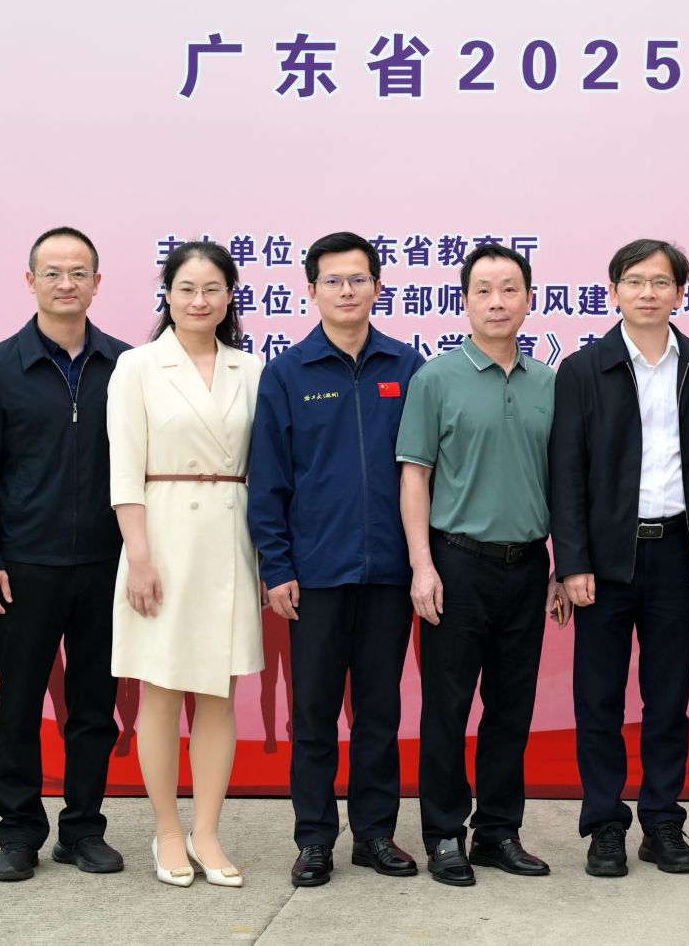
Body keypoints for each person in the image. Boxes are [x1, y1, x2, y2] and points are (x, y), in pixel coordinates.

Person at [247, 230, 425, 888]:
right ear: (311, 289)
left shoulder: (408, 367)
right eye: (333, 280)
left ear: (378, 286)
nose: (346, 290)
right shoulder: (288, 373)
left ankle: (375, 833)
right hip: (315, 574)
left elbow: (424, 472)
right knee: (315, 714)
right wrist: (277, 566)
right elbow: (268, 481)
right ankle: (315, 838)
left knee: (380, 711)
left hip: (390, 574)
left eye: (358, 279)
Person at [548, 239, 689, 877]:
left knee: (668, 698)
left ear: (680, 292)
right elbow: (565, 473)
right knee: (598, 698)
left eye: (660, 282)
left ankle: (662, 821)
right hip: (604, 561)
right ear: (614, 291)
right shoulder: (583, 369)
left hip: (677, 552)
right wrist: (572, 562)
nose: (647, 293)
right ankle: (604, 823)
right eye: (634, 281)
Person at [0, 226, 129, 882]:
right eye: (52, 272)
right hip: (23, 566)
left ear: (97, 283)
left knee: (94, 706)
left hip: (106, 565)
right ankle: (19, 831)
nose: (65, 283)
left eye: (78, 272)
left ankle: (82, 829)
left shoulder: (125, 365)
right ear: (30, 281)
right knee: (19, 704)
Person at [399, 243, 564, 887]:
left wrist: (561, 565)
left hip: (528, 567)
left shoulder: (549, 383)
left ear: (529, 299)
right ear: (464, 301)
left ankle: (498, 831)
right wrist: (422, 565)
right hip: (456, 564)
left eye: (510, 289)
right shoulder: (436, 379)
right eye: (484, 291)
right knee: (447, 706)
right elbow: (415, 476)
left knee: (511, 708)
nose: (498, 302)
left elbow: (563, 484)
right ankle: (444, 834)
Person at [106, 240, 264, 888]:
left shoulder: (251, 369)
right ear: (167, 295)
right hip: (162, 540)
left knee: (219, 692)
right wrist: (140, 557)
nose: (199, 300)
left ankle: (207, 830)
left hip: (230, 538)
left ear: (229, 297)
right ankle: (168, 828)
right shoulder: (138, 367)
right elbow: (124, 472)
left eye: (212, 288)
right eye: (186, 288)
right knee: (162, 690)